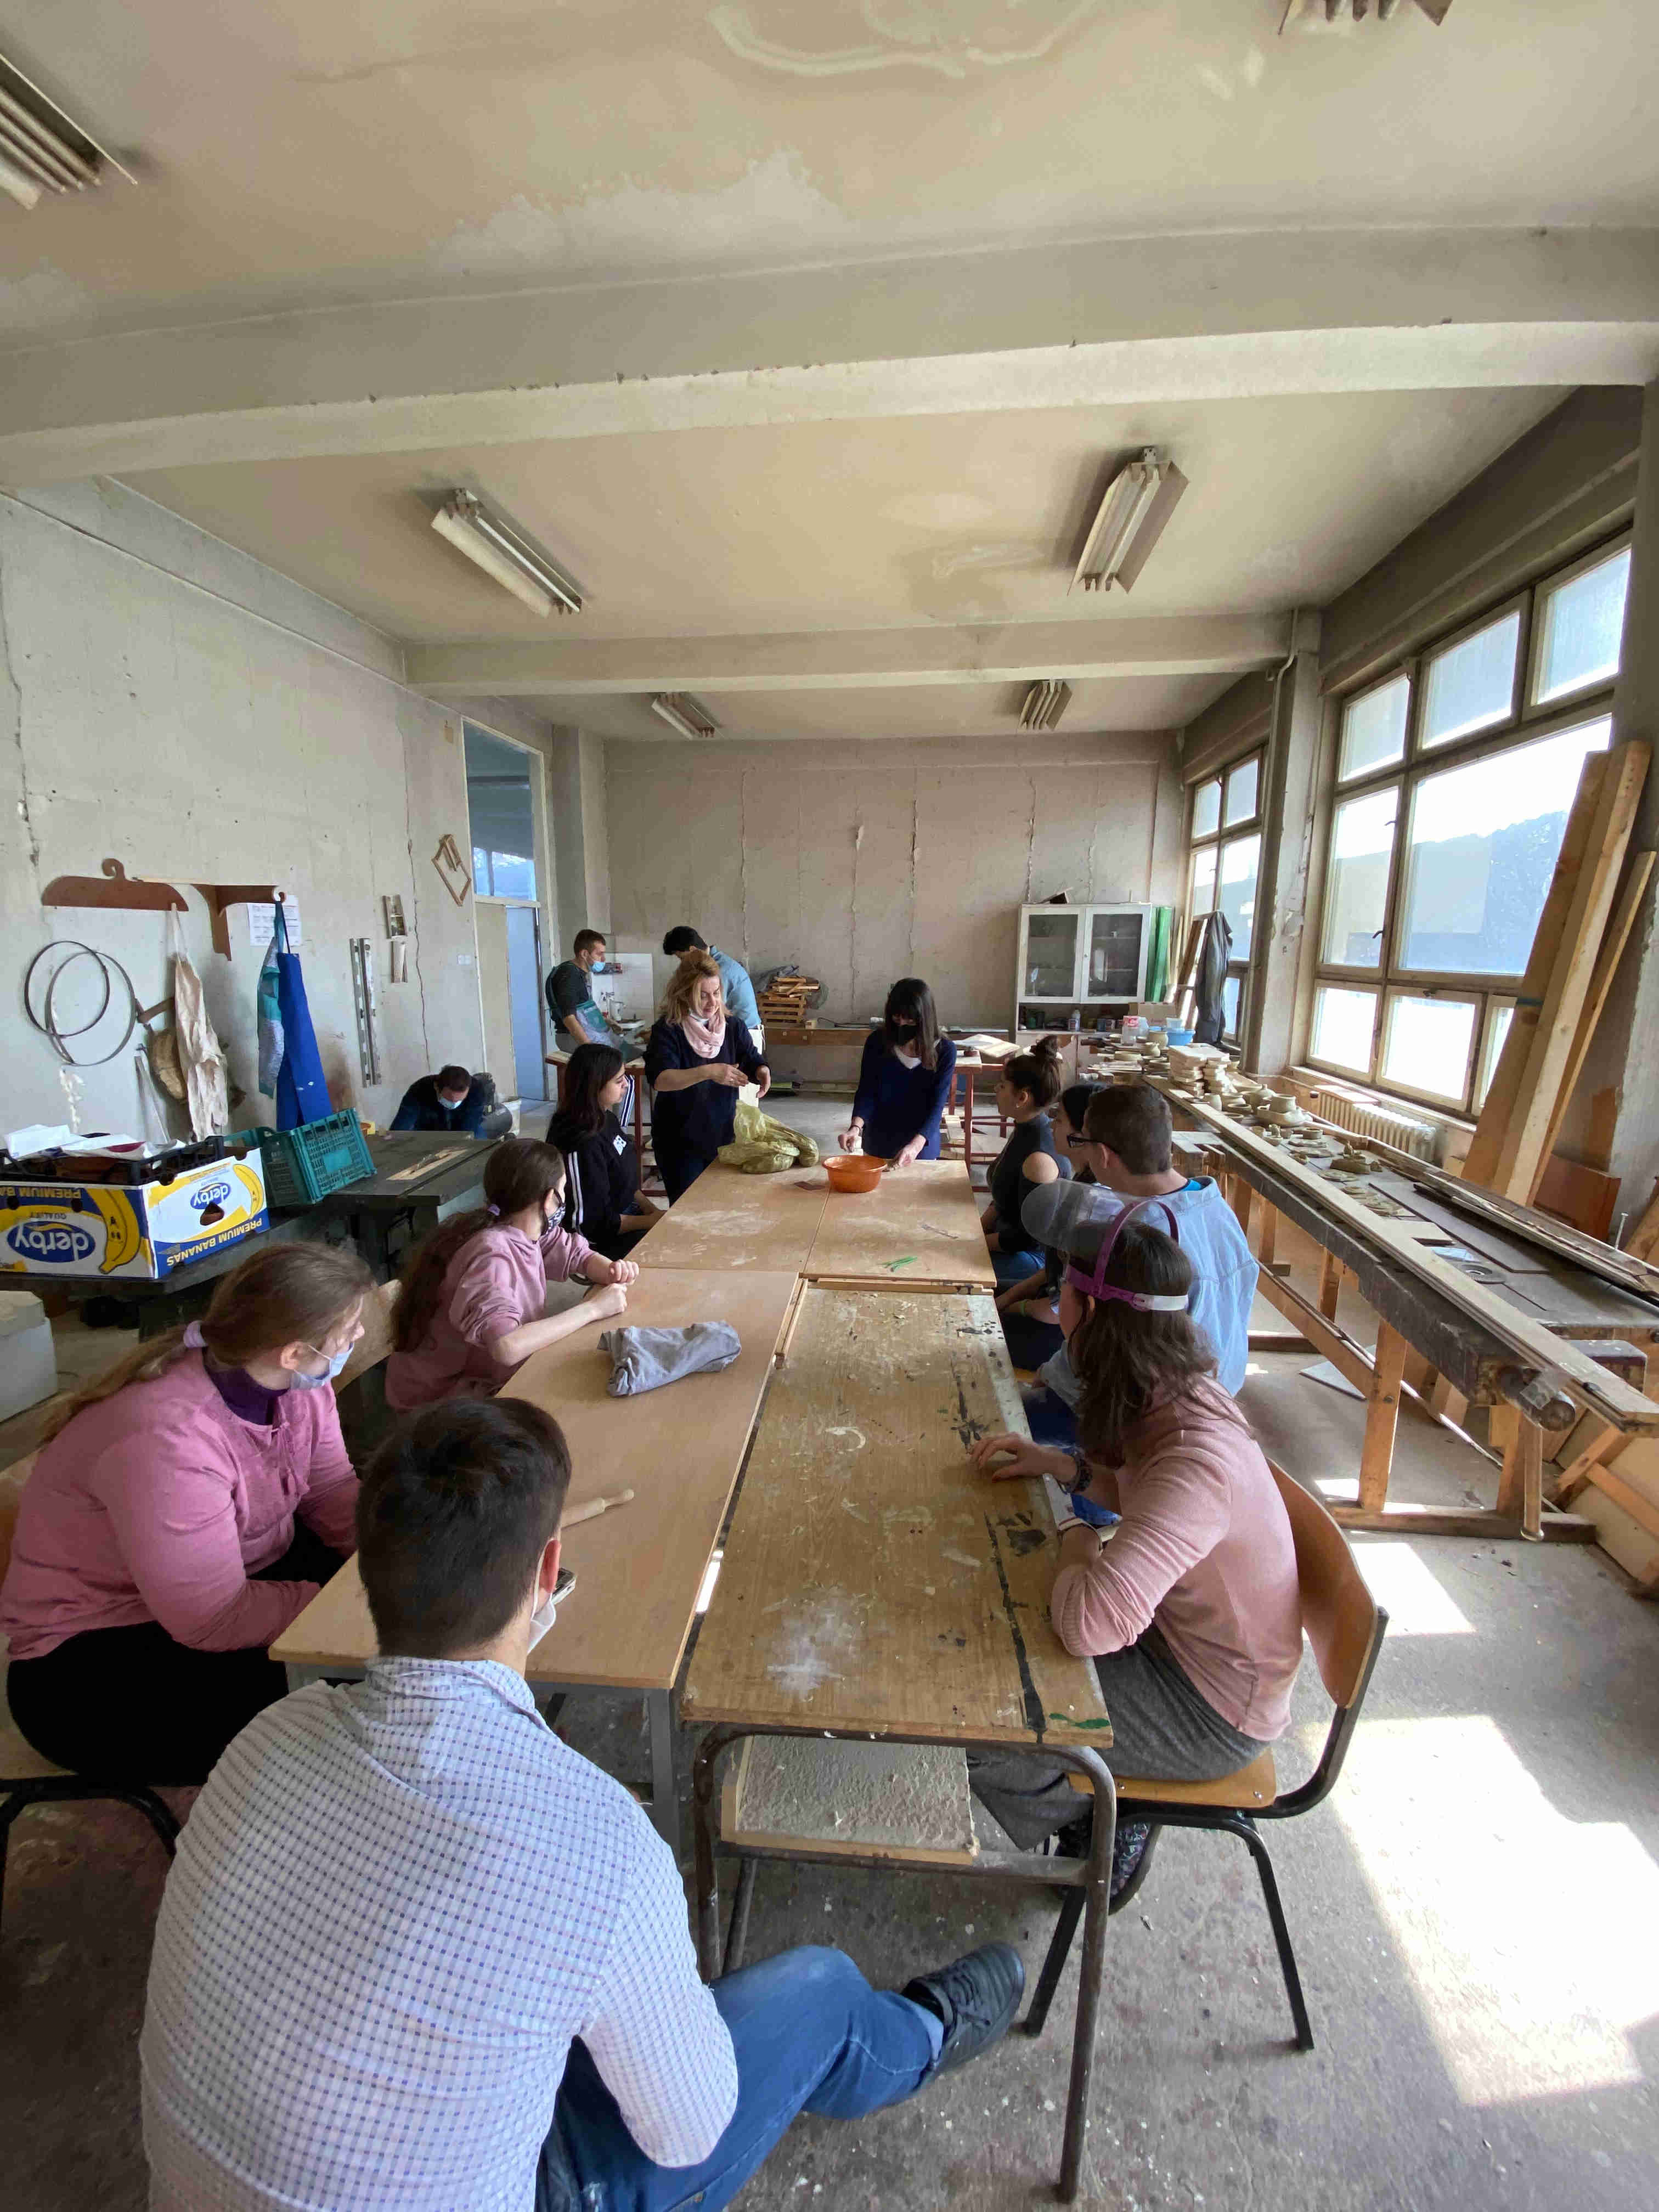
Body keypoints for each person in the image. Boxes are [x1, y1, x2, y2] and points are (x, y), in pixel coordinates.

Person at [139, 1395, 1028, 2212]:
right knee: (817, 1992)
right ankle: (922, 2032)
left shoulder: (268, 1736)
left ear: (365, 1569)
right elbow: (688, 2132)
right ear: (549, 1571)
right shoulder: (596, 1841)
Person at [966, 1206, 1302, 1876]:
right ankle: (1091, 1796)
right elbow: (1143, 1493)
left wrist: (1076, 1533)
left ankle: (1101, 1815)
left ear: (1087, 1311)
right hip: (1181, 1639)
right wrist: (1064, 1468)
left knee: (973, 1712)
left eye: (1063, 1289)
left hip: (1210, 1711)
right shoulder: (1176, 1389)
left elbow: (1087, 1625)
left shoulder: (1194, 1461)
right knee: (1005, 1619)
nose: (1056, 1300)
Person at [0, 1242, 373, 1784]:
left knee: (394, 1631)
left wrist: (390, 1562)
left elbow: (330, 1489)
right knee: (345, 1703)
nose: (358, 1335)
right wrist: (343, 1613)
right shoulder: (168, 1438)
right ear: (294, 1352)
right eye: (349, 1328)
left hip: (218, 1585)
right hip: (91, 1662)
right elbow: (212, 1618)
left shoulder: (294, 1386)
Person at [385, 1137, 635, 1410]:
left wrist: (610, 1269)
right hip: (439, 1402)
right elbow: (506, 1347)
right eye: (563, 1189)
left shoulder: (518, 1225)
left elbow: (574, 1253)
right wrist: (593, 1309)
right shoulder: (491, 1256)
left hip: (472, 1381)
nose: (565, 1198)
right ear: (549, 1199)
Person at [644, 955, 770, 1202]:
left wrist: (761, 1070)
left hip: (722, 1136)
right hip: (679, 1140)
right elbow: (662, 1079)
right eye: (703, 995)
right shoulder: (668, 1030)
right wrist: (710, 1072)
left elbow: (750, 1057)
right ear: (684, 993)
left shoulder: (732, 1027)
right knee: (686, 1209)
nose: (712, 1002)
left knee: (718, 1207)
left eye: (716, 993)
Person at [992, 1082, 1098, 1374]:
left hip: (1062, 1332)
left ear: (1082, 1136)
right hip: (1048, 1294)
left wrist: (1015, 1307)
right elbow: (1054, 1269)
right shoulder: (1080, 1181)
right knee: (976, 1299)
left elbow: (1057, 1310)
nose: (1052, 1124)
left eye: (1060, 1119)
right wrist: (1008, 1298)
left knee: (970, 1327)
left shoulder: (1092, 1203)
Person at [548, 1041, 662, 1260]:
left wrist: (652, 1211)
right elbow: (591, 1226)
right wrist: (650, 1221)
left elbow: (627, 1183)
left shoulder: (606, 1118)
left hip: (625, 1214)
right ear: (594, 1085)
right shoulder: (580, 1141)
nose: (626, 1085)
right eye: (619, 1081)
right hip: (599, 1241)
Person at [979, 1035, 1069, 1288]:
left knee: (942, 1263)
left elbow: (1027, 1238)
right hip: (1006, 1238)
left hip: (1030, 1257)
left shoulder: (1038, 1159)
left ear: (1022, 1098)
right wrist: (976, 1230)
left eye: (1002, 1086)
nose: (996, 1090)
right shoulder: (1026, 1127)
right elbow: (1004, 1199)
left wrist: (974, 1243)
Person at [840, 977, 958, 1166]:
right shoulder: (877, 1042)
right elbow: (867, 1091)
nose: (901, 1023)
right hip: (878, 1140)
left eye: (909, 1019)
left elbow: (937, 1106)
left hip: (921, 1145)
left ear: (924, 1018)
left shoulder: (945, 1050)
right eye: (896, 1017)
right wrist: (855, 1128)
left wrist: (915, 1147)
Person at [662, 926, 762, 1047]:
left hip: (746, 1035)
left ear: (693, 950)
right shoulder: (714, 964)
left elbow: (710, 1012)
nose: (683, 964)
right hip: (734, 1032)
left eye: (682, 958)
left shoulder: (720, 970)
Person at [546, 928, 624, 1049]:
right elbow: (569, 1018)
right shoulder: (568, 974)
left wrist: (605, 1021)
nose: (603, 959)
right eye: (599, 954)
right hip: (574, 1038)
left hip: (587, 1034)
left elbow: (582, 1011)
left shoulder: (579, 974)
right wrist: (589, 1050)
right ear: (584, 954)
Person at [390, 1063, 496, 1136]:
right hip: (429, 1128)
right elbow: (404, 1120)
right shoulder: (419, 1090)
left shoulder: (476, 1090)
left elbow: (469, 1128)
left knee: (477, 1138)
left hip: (463, 1124)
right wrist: (395, 1137)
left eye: (459, 1100)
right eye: (450, 1099)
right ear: (437, 1087)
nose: (454, 1104)